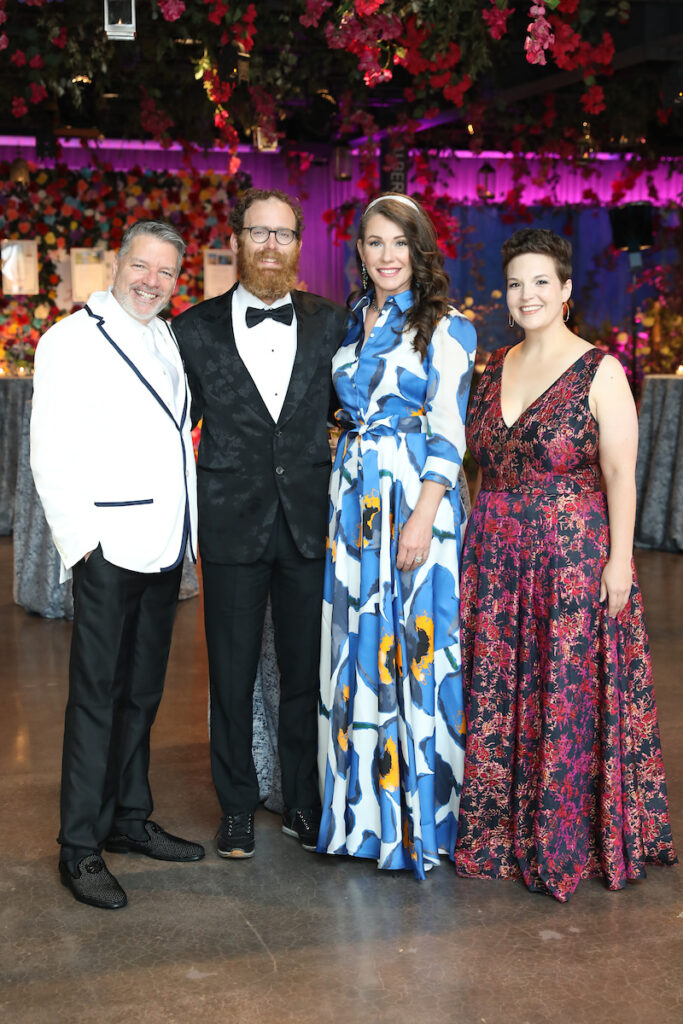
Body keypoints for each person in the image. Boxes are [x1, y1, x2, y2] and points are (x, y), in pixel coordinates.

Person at [454, 228, 677, 901]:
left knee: (563, 697)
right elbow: (474, 463)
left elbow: (620, 474)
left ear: (566, 291)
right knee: (499, 692)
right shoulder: (490, 365)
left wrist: (619, 562)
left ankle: (560, 841)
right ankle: (496, 833)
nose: (526, 295)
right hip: (493, 558)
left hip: (572, 559)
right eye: (515, 283)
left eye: (540, 282)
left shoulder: (599, 369)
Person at [30, 220, 204, 911]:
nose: (151, 282)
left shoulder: (164, 333)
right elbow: (50, 452)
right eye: (141, 266)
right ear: (115, 264)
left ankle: (128, 818)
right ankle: (79, 845)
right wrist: (84, 546)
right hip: (107, 546)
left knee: (142, 692)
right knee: (96, 697)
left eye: (165, 272)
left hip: (163, 544)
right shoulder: (70, 340)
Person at [172, 188, 347, 859]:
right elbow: (169, 427)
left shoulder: (334, 324)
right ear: (237, 240)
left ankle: (302, 800)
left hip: (309, 523)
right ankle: (236, 808)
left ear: (299, 243)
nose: (271, 245)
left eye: (283, 234)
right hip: (230, 525)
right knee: (233, 673)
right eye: (258, 233)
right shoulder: (192, 329)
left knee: (304, 674)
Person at [317, 194, 477, 880]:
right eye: (373, 243)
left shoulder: (446, 327)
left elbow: (448, 428)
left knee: (417, 650)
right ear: (359, 251)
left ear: (419, 251)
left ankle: (418, 821)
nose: (385, 256)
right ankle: (361, 820)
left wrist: (420, 514)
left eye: (398, 244)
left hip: (416, 502)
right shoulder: (354, 319)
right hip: (354, 504)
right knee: (357, 647)